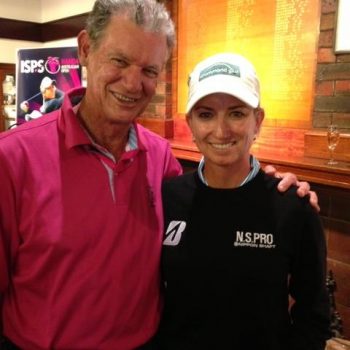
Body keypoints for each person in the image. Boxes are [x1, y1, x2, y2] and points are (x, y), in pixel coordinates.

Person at [0, 1, 319, 349]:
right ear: (86, 50)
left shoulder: (159, 158)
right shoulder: (12, 158)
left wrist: (273, 186)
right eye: (119, 61)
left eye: (150, 70)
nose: (133, 83)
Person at [152, 53, 331, 350]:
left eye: (236, 113)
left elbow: (314, 313)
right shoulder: (167, 198)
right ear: (191, 124)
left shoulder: (293, 206)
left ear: (257, 121)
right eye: (206, 114)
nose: (221, 131)